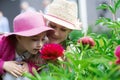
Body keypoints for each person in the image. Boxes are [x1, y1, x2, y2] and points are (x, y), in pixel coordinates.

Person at [0, 12, 53, 80]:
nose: (40, 44)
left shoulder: (42, 48)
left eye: (42, 39)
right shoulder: (3, 43)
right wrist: (3, 65)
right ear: (19, 37)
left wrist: (30, 67)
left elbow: (40, 63)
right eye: (34, 39)